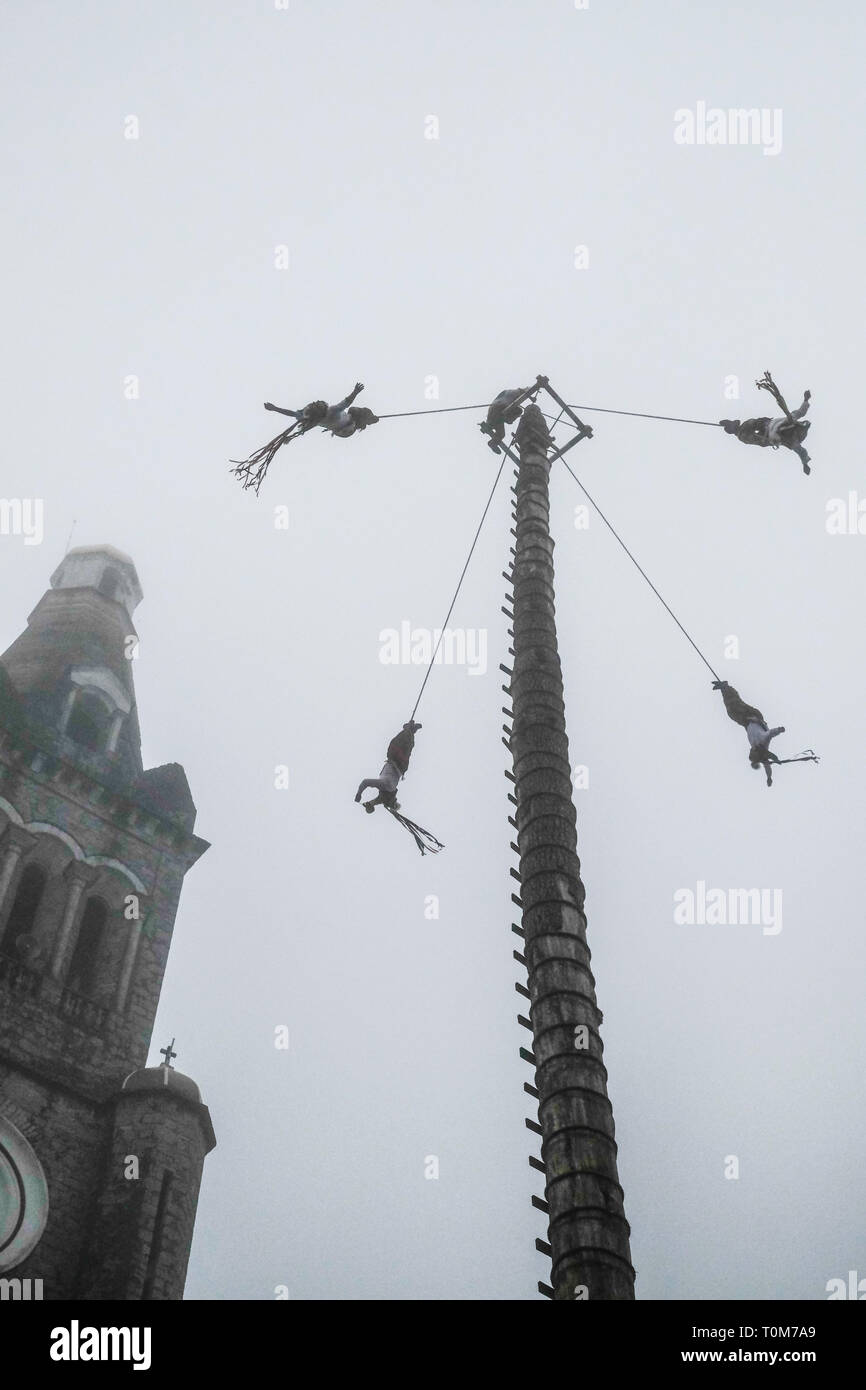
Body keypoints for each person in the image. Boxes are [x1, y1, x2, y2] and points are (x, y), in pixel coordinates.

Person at [712, 680, 818, 786]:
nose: (750, 749)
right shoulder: (763, 741)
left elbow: (767, 766)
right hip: (754, 716)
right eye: (752, 752)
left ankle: (724, 689)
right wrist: (779, 730)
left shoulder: (758, 750)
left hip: (746, 721)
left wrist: (769, 777)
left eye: (750, 752)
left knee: (731, 712)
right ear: (757, 752)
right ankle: (726, 687)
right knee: (736, 705)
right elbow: (770, 733)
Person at [720, 374, 812, 474]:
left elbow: (801, 451)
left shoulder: (792, 434)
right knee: (754, 427)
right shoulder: (791, 426)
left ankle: (735, 428)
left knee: (750, 432)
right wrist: (806, 400)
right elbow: (801, 412)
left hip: (768, 432)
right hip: (768, 430)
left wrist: (805, 464)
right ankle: (734, 427)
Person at [264, 382, 379, 438]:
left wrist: (275, 408)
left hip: (346, 425)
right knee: (354, 410)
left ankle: (369, 420)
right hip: (349, 425)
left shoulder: (315, 420)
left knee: (353, 411)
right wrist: (355, 392)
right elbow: (346, 402)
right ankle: (368, 420)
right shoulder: (331, 411)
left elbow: (291, 413)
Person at [355, 721, 422, 812]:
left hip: (399, 764)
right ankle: (409, 729)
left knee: (404, 746)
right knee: (400, 745)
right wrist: (359, 794)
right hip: (397, 761)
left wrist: (369, 804)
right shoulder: (386, 786)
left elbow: (377, 800)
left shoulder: (387, 789)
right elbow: (365, 782)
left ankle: (410, 730)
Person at [482, 388, 527, 452]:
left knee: (501, 434)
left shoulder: (505, 394)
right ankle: (508, 419)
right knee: (519, 410)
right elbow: (520, 393)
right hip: (499, 408)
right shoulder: (513, 392)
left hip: (494, 414)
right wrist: (526, 391)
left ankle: (492, 442)